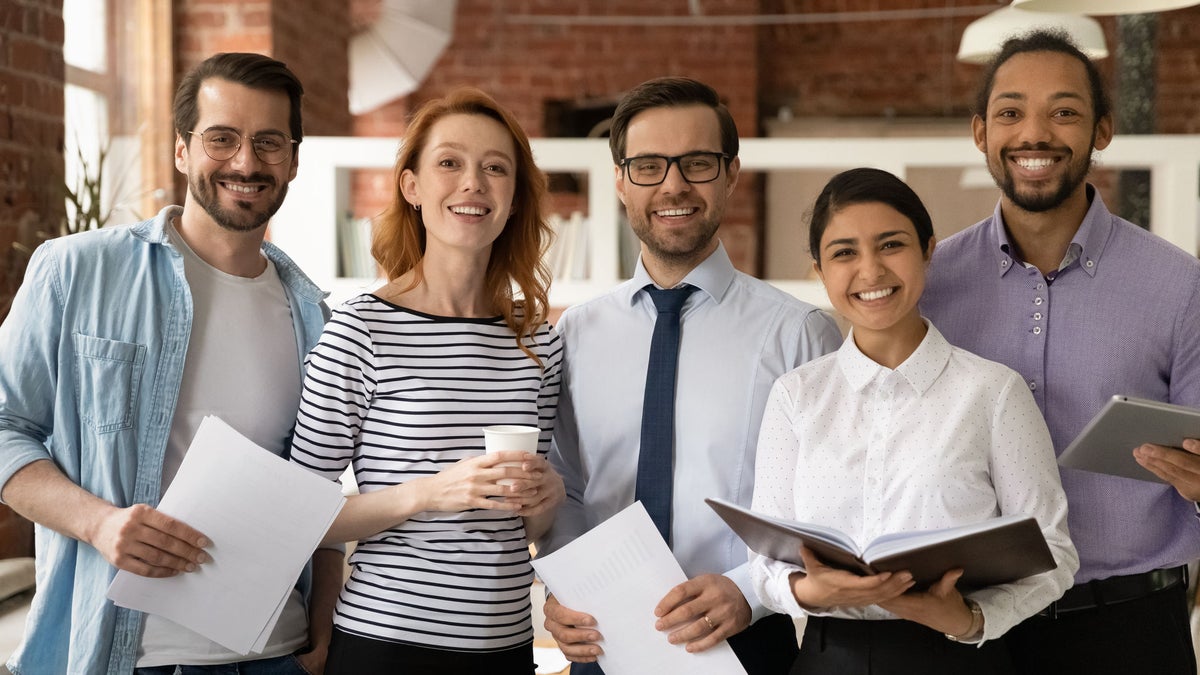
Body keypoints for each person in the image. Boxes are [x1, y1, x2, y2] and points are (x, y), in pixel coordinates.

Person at [0, 53, 341, 674]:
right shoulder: (76, 270)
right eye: (222, 139)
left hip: (277, 654)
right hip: (124, 656)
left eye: (269, 142)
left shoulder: (318, 314)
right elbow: (3, 427)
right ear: (183, 149)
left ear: (293, 160)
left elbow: (320, 491)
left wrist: (319, 643)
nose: (245, 162)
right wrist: (98, 522)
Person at [536, 76, 843, 674]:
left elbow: (831, 507)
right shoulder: (575, 334)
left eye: (697, 163)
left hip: (747, 642)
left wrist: (751, 590)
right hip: (604, 643)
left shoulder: (801, 334)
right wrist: (565, 587)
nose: (673, 185)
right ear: (621, 181)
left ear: (730, 174)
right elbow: (565, 486)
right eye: (648, 165)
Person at [921, 30, 1200, 675]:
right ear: (980, 132)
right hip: (967, 626)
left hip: (1129, 630)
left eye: (1064, 112)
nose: (1035, 134)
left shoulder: (1181, 288)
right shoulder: (929, 286)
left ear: (1102, 131)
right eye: (1011, 112)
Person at [749, 167, 1078, 675]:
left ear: (928, 250)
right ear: (818, 269)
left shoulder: (992, 392)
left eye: (891, 245)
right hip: (826, 658)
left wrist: (971, 618)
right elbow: (765, 562)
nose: (871, 271)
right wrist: (806, 590)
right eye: (844, 253)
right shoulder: (796, 396)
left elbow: (1054, 553)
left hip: (960, 657)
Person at [288, 87, 563, 675]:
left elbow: (534, 527)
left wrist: (548, 500)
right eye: (449, 163)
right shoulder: (359, 330)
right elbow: (296, 513)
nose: (473, 183)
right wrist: (430, 494)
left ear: (514, 198)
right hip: (383, 647)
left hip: (507, 647)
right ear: (411, 187)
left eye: (495, 168)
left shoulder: (538, 340)